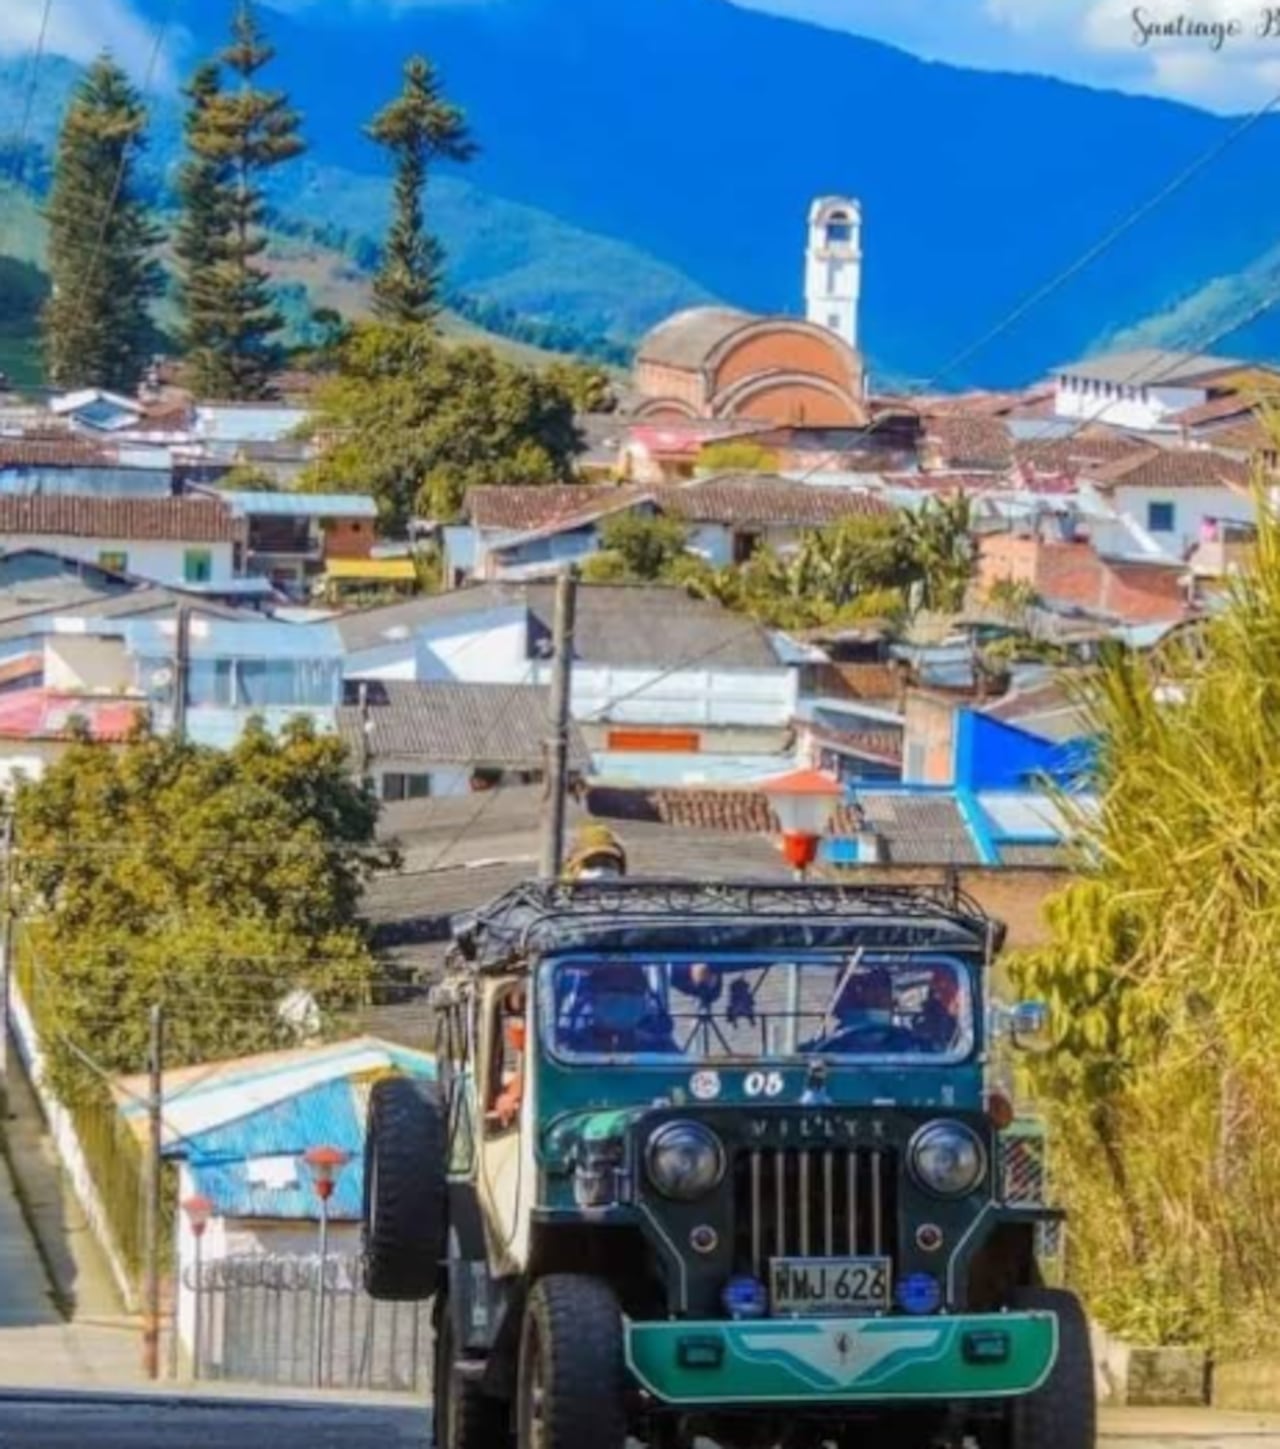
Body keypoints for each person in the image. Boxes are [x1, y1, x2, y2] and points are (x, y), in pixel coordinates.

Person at [558, 961, 678, 1055]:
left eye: (632, 991)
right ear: (593, 998)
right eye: (613, 990)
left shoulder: (661, 1048)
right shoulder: (570, 1048)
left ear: (643, 1001)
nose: (623, 997)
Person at [800, 966, 918, 1055]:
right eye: (857, 997)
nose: (872, 1003)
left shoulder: (910, 1045)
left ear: (892, 1004)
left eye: (879, 999)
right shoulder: (828, 1048)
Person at [563, 824, 627, 881]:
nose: (601, 872)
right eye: (591, 865)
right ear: (573, 869)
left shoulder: (630, 892)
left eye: (607, 864)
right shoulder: (561, 892)